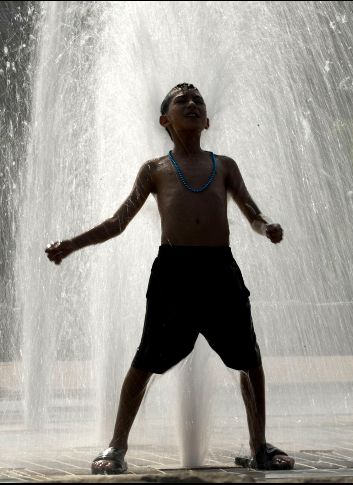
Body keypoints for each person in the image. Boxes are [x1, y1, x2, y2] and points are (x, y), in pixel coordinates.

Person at [44, 83, 295, 474]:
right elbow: (117, 222)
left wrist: (268, 228)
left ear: (208, 120)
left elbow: (252, 213)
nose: (192, 104)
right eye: (182, 101)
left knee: (249, 360)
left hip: (219, 271)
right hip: (173, 273)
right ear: (166, 120)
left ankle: (260, 445)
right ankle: (116, 447)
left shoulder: (224, 165)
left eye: (198, 101)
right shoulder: (154, 170)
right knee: (145, 360)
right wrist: (73, 244)